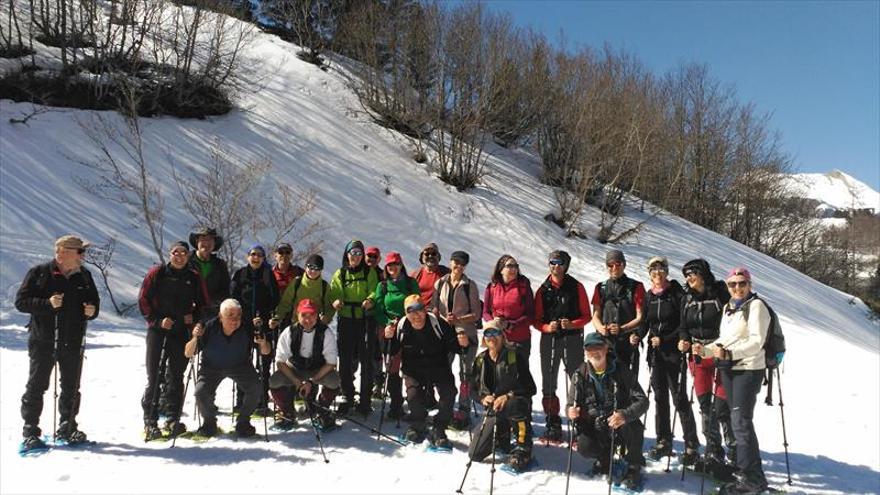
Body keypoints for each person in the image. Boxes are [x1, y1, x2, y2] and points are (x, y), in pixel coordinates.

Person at [16, 235, 100, 450]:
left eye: (82, 252)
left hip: (72, 341)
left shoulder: (84, 276)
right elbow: (21, 302)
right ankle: (30, 431)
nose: (83, 256)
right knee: (37, 386)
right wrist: (47, 304)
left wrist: (91, 311)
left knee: (71, 387)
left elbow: (94, 304)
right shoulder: (40, 273)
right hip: (44, 340)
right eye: (79, 251)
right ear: (62, 252)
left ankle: (68, 425)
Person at [698, 268, 770, 494]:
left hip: (748, 371)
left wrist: (729, 354)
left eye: (742, 283)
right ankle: (749, 472)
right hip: (729, 370)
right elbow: (725, 340)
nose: (737, 288)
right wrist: (706, 350)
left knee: (741, 422)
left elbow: (757, 342)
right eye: (733, 284)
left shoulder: (757, 306)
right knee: (732, 417)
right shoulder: (729, 308)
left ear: (750, 284)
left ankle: (753, 479)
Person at [139, 241, 209, 440]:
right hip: (158, 331)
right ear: (169, 254)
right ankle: (150, 421)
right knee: (155, 376)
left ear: (188, 255)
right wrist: (157, 321)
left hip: (181, 332)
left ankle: (172, 418)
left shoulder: (193, 277)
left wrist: (195, 321)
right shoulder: (157, 273)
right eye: (175, 252)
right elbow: (143, 300)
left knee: (176, 376)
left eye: (183, 253)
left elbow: (203, 305)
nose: (179, 256)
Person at [383, 295, 469, 447]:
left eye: (419, 309)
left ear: (425, 309)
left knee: (449, 393)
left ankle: (439, 427)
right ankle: (417, 425)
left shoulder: (437, 324)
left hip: (438, 366)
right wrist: (387, 338)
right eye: (411, 311)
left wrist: (463, 343)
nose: (416, 315)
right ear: (406, 313)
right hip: (413, 369)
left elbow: (455, 346)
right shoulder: (402, 326)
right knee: (413, 396)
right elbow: (391, 350)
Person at [567, 332, 648, 492]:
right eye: (590, 349)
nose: (594, 352)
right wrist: (571, 411)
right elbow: (571, 403)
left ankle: (633, 466)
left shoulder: (620, 370)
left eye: (598, 348)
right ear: (585, 352)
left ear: (605, 349)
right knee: (584, 445)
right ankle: (604, 458)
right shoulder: (579, 374)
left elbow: (643, 401)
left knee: (633, 426)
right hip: (597, 422)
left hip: (619, 421)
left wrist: (625, 415)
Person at [677, 258, 736, 471]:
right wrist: (684, 340)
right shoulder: (687, 299)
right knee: (704, 404)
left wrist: (722, 345)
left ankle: (735, 452)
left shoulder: (720, 293)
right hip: (698, 356)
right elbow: (683, 326)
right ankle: (714, 450)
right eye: (686, 275)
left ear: (702, 273)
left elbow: (733, 323)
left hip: (720, 354)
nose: (688, 278)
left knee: (723, 407)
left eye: (692, 273)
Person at [642, 256, 700, 464]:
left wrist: (665, 339)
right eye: (653, 269)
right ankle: (663, 440)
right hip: (655, 354)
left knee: (679, 398)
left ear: (666, 271)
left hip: (673, 353)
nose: (657, 273)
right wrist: (636, 335)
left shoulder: (677, 294)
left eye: (660, 269)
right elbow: (646, 322)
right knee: (659, 397)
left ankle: (691, 444)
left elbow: (683, 324)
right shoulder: (650, 296)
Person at [186, 299, 270, 438]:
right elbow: (188, 353)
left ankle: (243, 422)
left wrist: (263, 342)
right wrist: (195, 337)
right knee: (201, 392)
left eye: (238, 316)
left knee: (256, 387)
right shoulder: (208, 327)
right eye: (230, 315)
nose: (235, 320)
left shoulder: (247, 327)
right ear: (220, 316)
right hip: (211, 367)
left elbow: (266, 351)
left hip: (240, 365)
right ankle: (209, 423)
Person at [533, 250, 590, 444]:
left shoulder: (576, 287)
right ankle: (552, 422)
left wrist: (573, 324)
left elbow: (587, 316)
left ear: (566, 266)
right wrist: (547, 327)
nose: (555, 266)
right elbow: (536, 320)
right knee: (548, 381)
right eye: (552, 262)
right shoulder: (543, 289)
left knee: (577, 380)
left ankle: (578, 423)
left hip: (572, 338)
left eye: (559, 263)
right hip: (550, 339)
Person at [469, 322, 537, 472]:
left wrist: (508, 396)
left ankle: (523, 448)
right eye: (488, 334)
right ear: (484, 338)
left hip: (515, 405)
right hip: (494, 411)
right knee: (475, 453)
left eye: (495, 333)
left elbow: (530, 388)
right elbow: (471, 389)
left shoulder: (514, 355)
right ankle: (502, 436)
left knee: (514, 404)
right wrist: (482, 398)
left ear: (502, 336)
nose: (491, 337)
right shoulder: (480, 360)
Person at [268, 298, 340, 431]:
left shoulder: (326, 332)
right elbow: (280, 362)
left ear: (317, 315)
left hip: (318, 369)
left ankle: (322, 410)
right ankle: (287, 412)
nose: (308, 319)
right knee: (275, 381)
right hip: (295, 369)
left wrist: (312, 382)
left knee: (334, 380)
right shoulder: (289, 332)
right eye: (304, 315)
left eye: (311, 315)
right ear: (297, 315)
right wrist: (297, 382)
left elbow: (331, 363)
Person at [431, 250, 481, 430]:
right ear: (450, 262)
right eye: (456, 262)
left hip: (466, 334)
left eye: (462, 264)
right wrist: (442, 317)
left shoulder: (469, 285)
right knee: (444, 371)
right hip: (445, 334)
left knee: (465, 373)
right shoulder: (440, 282)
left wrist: (458, 320)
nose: (458, 266)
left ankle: (464, 408)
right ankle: (446, 405)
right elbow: (434, 308)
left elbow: (476, 313)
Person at [329, 240, 380, 415]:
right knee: (345, 360)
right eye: (353, 253)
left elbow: (375, 290)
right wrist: (336, 300)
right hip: (345, 320)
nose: (355, 257)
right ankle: (347, 395)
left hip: (364, 320)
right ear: (347, 254)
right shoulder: (341, 273)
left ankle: (365, 398)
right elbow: (334, 291)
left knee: (366, 361)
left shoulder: (369, 272)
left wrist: (370, 300)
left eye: (359, 253)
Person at [230, 245, 280, 416]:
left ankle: (262, 400)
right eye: (253, 254)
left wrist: (268, 319)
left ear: (264, 258)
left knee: (264, 364)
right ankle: (241, 400)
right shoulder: (240, 274)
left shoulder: (267, 275)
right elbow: (233, 300)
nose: (256, 258)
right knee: (242, 362)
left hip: (263, 325)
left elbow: (275, 300)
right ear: (247, 256)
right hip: (243, 326)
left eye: (259, 255)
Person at [373, 252, 420, 420]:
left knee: (410, 367)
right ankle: (396, 405)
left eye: (396, 264)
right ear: (386, 267)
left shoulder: (410, 283)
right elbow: (378, 309)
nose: (393, 268)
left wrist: (406, 321)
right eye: (390, 265)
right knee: (392, 366)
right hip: (388, 329)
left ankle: (416, 404)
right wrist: (387, 322)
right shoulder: (382, 286)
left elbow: (416, 304)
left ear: (401, 265)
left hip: (409, 328)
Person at [591, 250, 645, 380]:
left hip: (628, 344)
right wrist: (600, 328)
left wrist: (622, 329)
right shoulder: (600, 288)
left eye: (618, 264)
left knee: (627, 384)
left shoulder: (636, 287)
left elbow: (640, 317)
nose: (614, 268)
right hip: (605, 343)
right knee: (605, 383)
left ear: (624, 265)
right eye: (610, 265)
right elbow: (595, 315)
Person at [482, 254, 535, 357]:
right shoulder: (492, 287)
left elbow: (530, 314)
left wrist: (511, 324)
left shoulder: (523, 286)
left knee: (520, 371)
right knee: (498, 371)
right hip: (497, 338)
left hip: (519, 338)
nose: (514, 269)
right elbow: (485, 312)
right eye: (510, 266)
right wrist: (494, 323)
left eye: (516, 266)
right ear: (501, 269)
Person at [271, 254, 335, 329]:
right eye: (311, 267)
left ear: (321, 270)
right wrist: (277, 317)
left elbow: (329, 306)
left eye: (317, 268)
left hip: (315, 326)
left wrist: (326, 318)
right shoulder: (297, 282)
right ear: (305, 267)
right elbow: (285, 303)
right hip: (296, 325)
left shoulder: (324, 286)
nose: (313, 271)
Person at [188, 227, 230, 316]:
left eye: (210, 240)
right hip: (188, 314)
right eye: (203, 239)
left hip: (212, 314)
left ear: (215, 244)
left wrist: (214, 303)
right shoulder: (186, 262)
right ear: (197, 242)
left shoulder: (220, 265)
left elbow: (226, 290)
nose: (206, 243)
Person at [410, 242, 449, 307]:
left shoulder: (446, 273)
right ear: (422, 257)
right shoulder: (415, 275)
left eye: (434, 254)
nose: (430, 256)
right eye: (427, 254)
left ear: (438, 257)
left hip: (439, 313)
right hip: (419, 312)